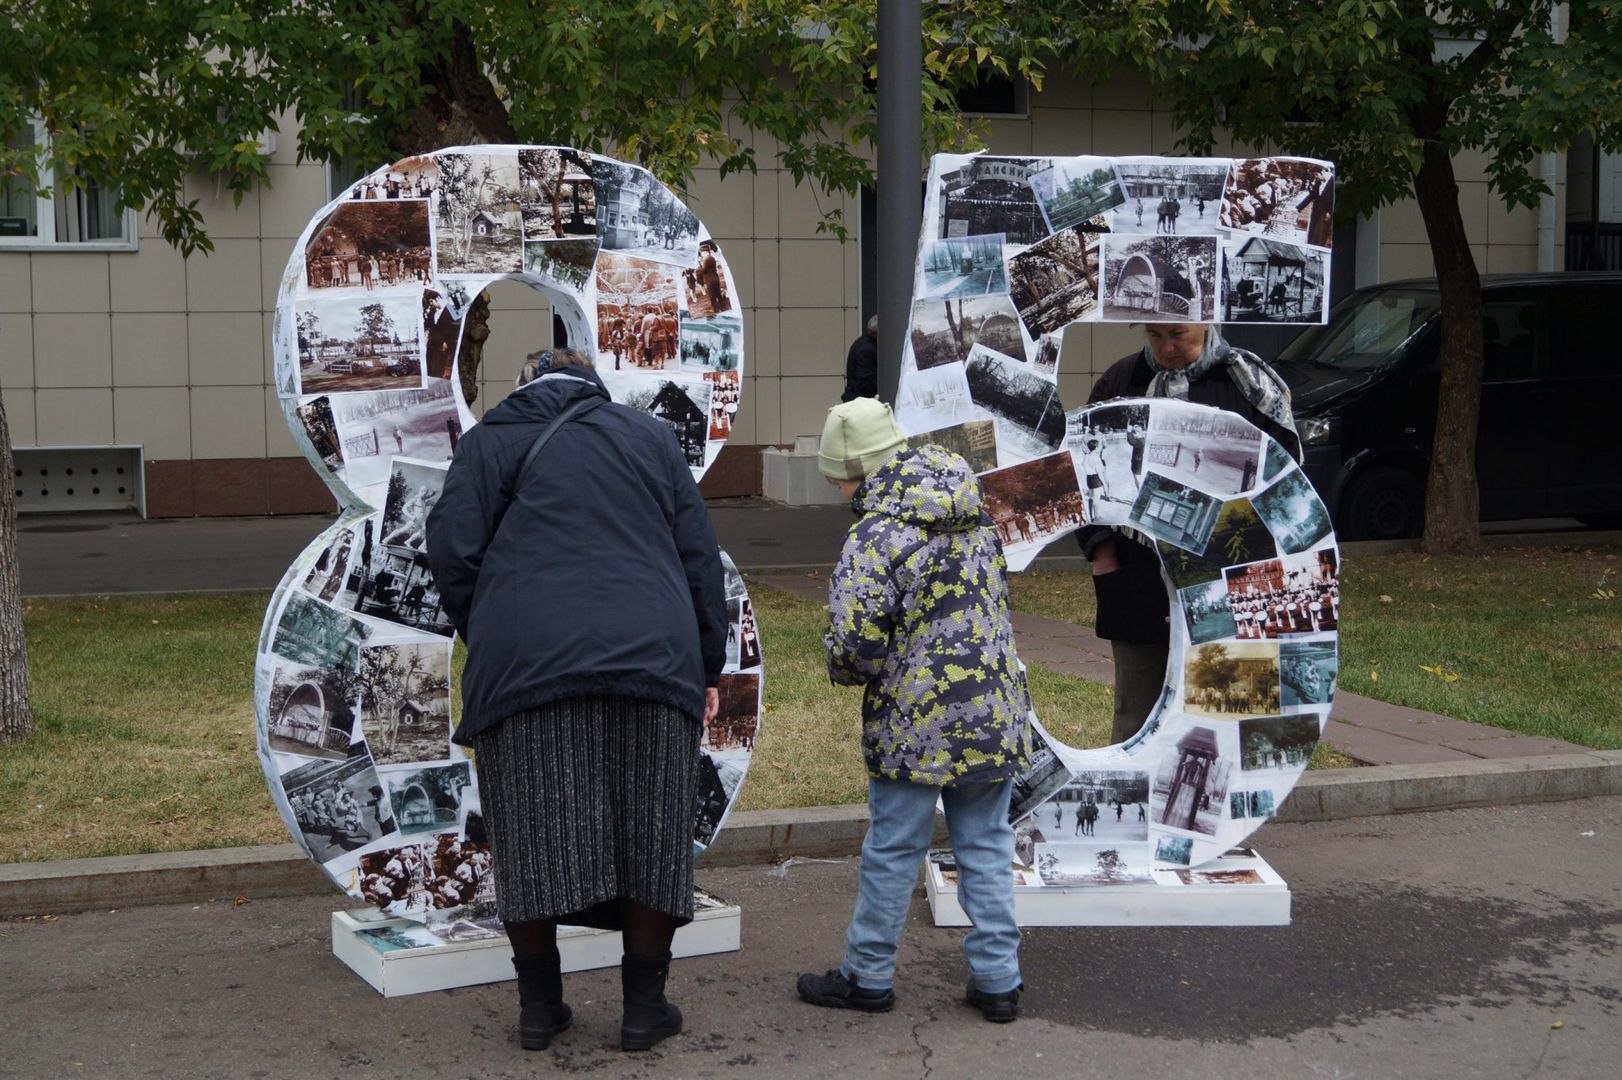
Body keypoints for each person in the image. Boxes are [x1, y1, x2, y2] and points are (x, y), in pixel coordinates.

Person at [425, 348, 726, 1054]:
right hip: (653, 656)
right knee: (652, 834)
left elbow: (451, 551)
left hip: (525, 663)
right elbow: (697, 556)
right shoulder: (649, 437)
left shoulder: (488, 442)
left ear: (525, 386)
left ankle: (540, 1008)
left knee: (529, 837)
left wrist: (496, 626)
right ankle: (644, 1009)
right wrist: (708, 664)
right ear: (596, 385)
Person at [795, 398, 1031, 1024]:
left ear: (859, 468)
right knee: (985, 845)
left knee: (894, 847)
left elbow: (853, 644)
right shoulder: (974, 507)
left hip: (913, 724)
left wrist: (850, 671)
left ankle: (868, 975)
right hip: (992, 710)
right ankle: (999, 982)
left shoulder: (875, 534)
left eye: (839, 478)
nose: (840, 490)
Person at [1075, 323, 1300, 745]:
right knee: (1137, 708)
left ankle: (1224, 804)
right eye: (1155, 335)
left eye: (1178, 334)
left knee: (1229, 701)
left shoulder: (1246, 382)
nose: (1167, 348)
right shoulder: (1123, 380)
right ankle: (1137, 801)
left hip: (1228, 570)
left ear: (1206, 319)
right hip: (1139, 571)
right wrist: (1101, 551)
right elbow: (1085, 469)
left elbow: (1284, 480)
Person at [841, 315, 879, 401]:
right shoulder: (868, 350)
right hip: (861, 401)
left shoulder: (861, 343)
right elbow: (865, 383)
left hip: (856, 399)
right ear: (876, 334)